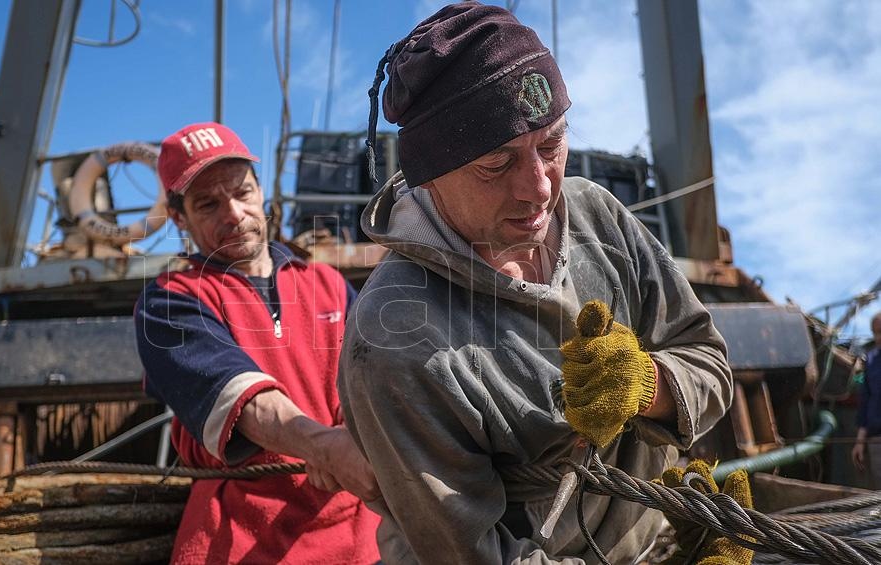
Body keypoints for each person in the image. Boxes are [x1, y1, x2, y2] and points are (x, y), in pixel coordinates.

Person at [338, 3, 734, 563]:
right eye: (497, 165)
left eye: (551, 146)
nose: (540, 188)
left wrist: (647, 387)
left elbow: (708, 363)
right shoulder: (393, 339)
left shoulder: (596, 213)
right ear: (429, 175)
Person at [134, 122, 380, 564]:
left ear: (260, 191)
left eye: (242, 192)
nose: (234, 213)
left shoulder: (327, 283)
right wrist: (327, 446)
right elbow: (244, 402)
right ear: (179, 218)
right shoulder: (171, 298)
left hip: (358, 534)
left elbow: (371, 379)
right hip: (240, 540)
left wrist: (353, 436)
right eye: (208, 203)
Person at [852, 312, 881, 487]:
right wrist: (859, 442)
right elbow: (866, 404)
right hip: (877, 439)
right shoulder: (871, 360)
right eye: (876, 333)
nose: (879, 338)